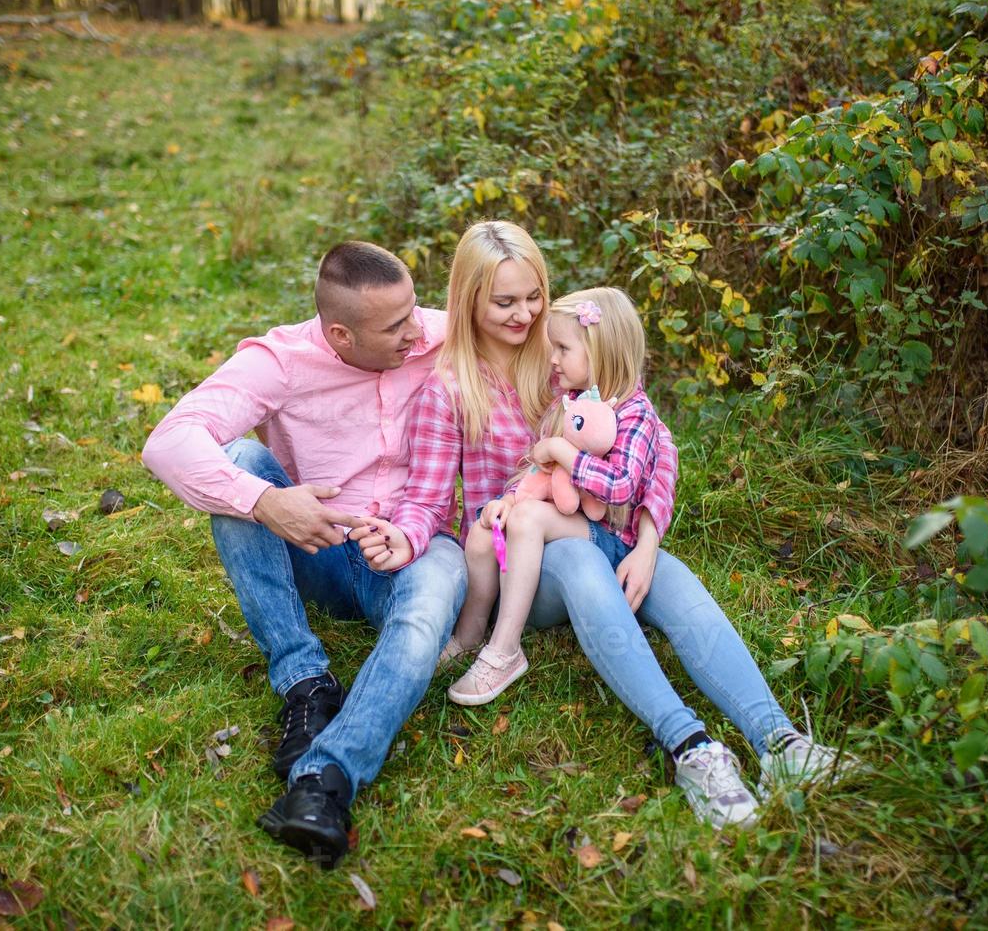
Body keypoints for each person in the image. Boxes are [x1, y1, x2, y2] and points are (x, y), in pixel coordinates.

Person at [357, 221, 860, 831]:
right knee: (572, 557)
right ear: (469, 300)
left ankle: (781, 743)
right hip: (527, 562)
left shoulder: (571, 360)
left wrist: (648, 544)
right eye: (505, 302)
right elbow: (432, 501)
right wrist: (407, 536)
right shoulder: (450, 389)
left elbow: (658, 446)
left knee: (671, 581)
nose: (525, 314)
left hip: (606, 534)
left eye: (533, 296)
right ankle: (691, 748)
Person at [141, 241, 468, 868]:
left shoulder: (438, 334)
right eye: (395, 326)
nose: (416, 331)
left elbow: (544, 333)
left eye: (414, 312)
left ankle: (324, 781)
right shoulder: (282, 361)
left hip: (413, 547)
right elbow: (170, 441)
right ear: (339, 333)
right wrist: (267, 502)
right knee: (239, 466)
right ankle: (306, 683)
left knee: (433, 597)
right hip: (317, 549)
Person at [446, 286, 668, 707]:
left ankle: (505, 649)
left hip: (609, 533)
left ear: (600, 351)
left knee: (528, 520)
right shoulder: (569, 401)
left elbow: (621, 485)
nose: (552, 359)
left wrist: (563, 453)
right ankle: (469, 634)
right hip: (568, 518)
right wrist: (510, 498)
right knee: (483, 532)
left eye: (563, 348)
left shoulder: (635, 412)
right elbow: (538, 468)